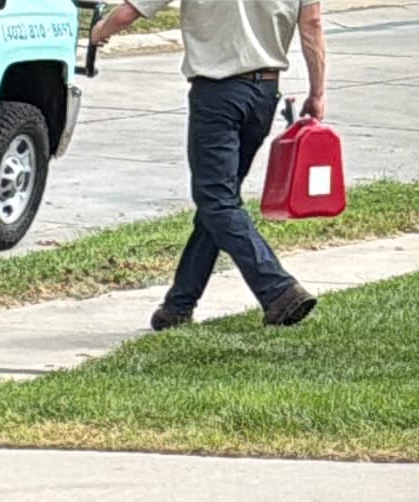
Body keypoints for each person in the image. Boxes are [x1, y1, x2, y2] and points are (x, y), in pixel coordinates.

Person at [89, 0, 328, 328]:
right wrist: (317, 93)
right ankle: (178, 306)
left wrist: (99, 32)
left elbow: (130, 11)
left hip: (217, 93)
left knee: (216, 200)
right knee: (220, 201)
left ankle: (278, 289)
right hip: (265, 93)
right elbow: (311, 23)